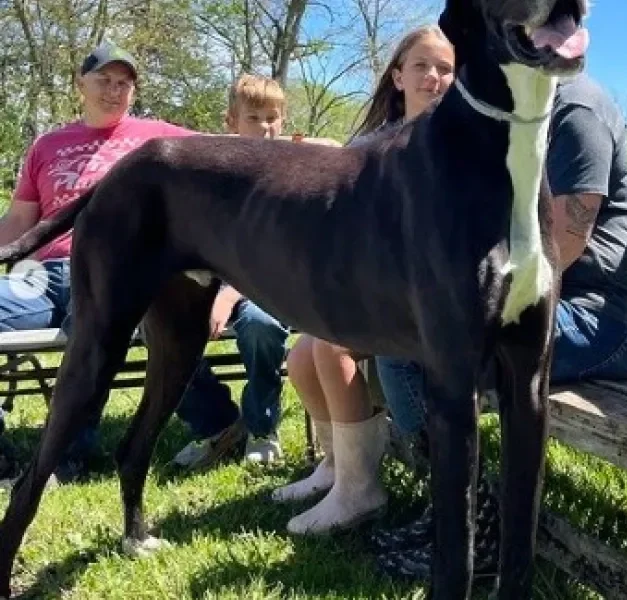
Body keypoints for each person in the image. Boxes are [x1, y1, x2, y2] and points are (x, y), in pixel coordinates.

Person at [370, 70, 627, 579]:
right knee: (405, 337)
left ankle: (471, 528)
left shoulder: (577, 111)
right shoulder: (511, 114)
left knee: (414, 348)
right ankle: (457, 517)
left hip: (606, 319)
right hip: (548, 307)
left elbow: (564, 243)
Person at [269, 24, 456, 536]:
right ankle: (336, 467)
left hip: (430, 300)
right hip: (381, 291)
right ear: (398, 76)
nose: (434, 77)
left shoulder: (457, 145)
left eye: (446, 69)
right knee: (302, 353)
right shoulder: (375, 144)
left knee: (331, 347)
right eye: (422, 66)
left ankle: (359, 489)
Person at [0, 40, 196, 484]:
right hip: (39, 272)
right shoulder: (48, 144)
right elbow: (19, 221)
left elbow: (231, 149)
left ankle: (67, 454)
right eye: (104, 80)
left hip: (112, 271)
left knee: (91, 336)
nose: (114, 90)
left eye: (124, 83)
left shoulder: (157, 139)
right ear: (80, 84)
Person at [168, 74, 293, 470]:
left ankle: (262, 426)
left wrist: (228, 295)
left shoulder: (288, 179)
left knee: (260, 325)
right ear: (231, 122)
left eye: (273, 117)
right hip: (203, 283)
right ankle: (216, 424)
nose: (266, 127)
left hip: (265, 289)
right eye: (254, 117)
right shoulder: (211, 177)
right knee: (164, 330)